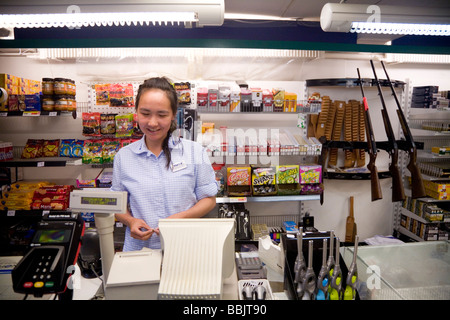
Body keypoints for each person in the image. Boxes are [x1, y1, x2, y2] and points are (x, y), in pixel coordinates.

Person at [111, 77, 218, 251]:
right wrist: (130, 221)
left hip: (185, 247)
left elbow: (208, 199)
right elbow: (116, 205)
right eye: (145, 114)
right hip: (139, 249)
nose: (152, 123)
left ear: (173, 114)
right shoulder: (124, 157)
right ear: (136, 112)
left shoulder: (195, 151)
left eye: (162, 115)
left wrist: (180, 219)